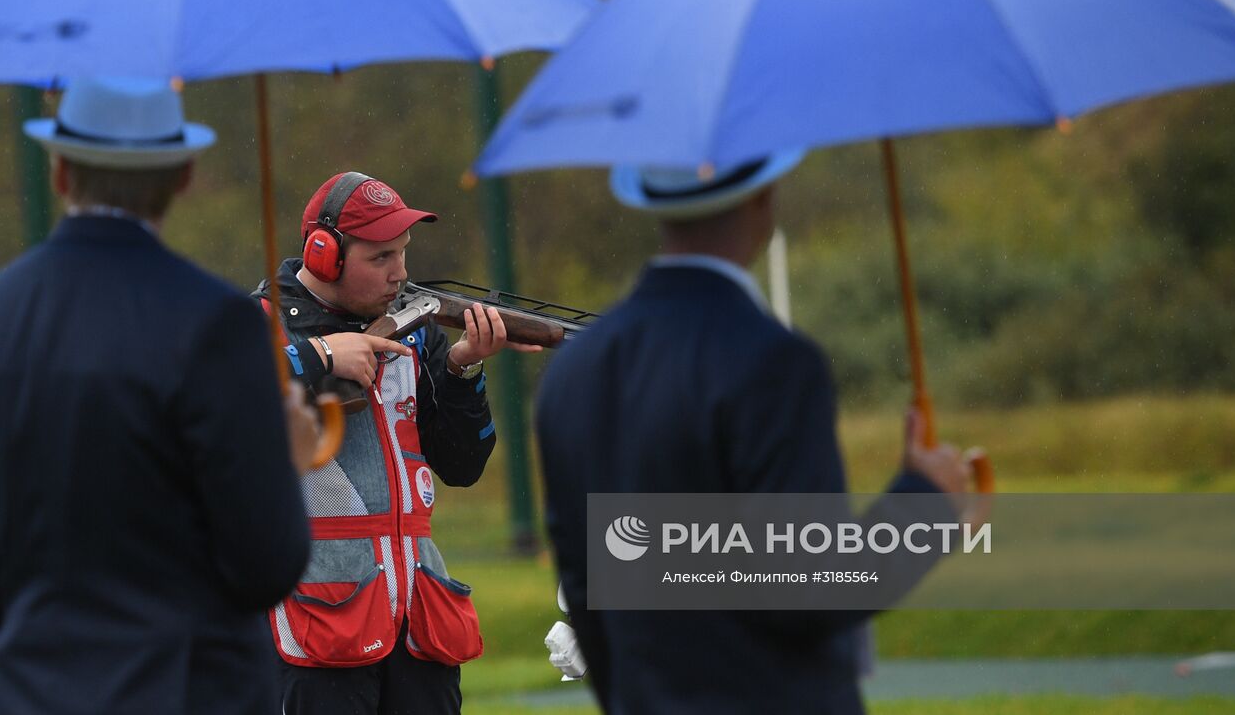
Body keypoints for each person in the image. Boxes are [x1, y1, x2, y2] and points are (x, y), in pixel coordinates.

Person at [0, 76, 318, 715]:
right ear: (185, 174)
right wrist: (285, 460)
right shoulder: (218, 324)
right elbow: (265, 565)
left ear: (59, 172)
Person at [534, 153, 979, 714]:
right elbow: (812, 585)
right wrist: (926, 502)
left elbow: (584, 585)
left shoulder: (573, 371)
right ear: (763, 196)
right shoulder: (774, 362)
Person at [256, 170, 537, 715]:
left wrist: (462, 367)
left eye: (403, 252)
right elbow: (217, 405)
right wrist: (320, 358)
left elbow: (461, 465)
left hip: (419, 626)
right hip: (315, 628)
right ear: (323, 254)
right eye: (380, 257)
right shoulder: (261, 325)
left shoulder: (414, 329)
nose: (400, 273)